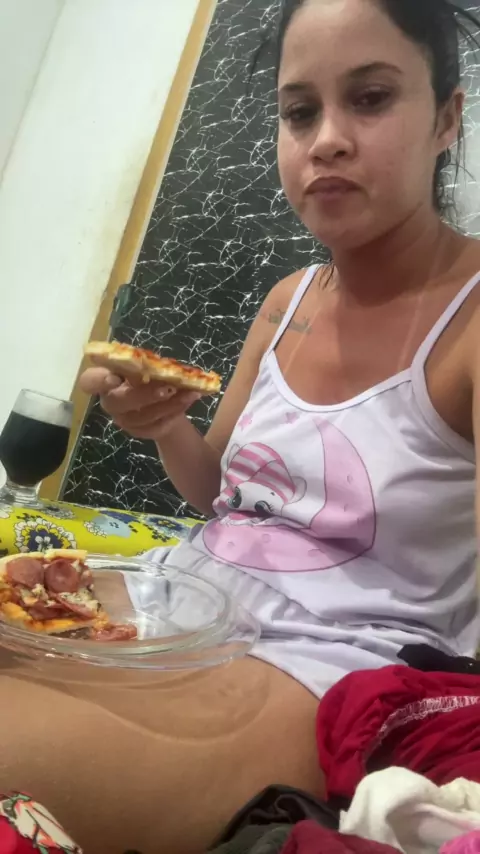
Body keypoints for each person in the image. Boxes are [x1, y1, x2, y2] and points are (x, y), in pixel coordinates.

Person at [1, 1, 480, 852]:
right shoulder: (288, 301)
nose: (326, 140)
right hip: (184, 591)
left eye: (370, 98)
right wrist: (164, 427)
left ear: (448, 116)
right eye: (299, 111)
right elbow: (221, 494)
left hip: (321, 660)